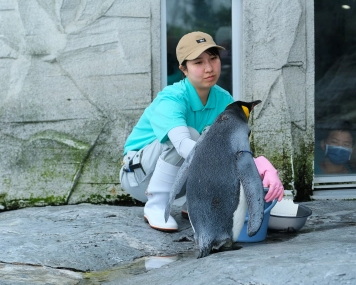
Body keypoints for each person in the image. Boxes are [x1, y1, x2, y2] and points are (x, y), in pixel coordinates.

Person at [120, 32, 283, 231]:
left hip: (178, 182)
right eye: (198, 62)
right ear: (184, 69)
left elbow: (232, 148)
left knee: (216, 144)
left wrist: (259, 164)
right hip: (139, 177)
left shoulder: (224, 100)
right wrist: (252, 164)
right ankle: (156, 205)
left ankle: (195, 203)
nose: (208, 68)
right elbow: (182, 146)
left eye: (213, 59)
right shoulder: (171, 98)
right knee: (192, 138)